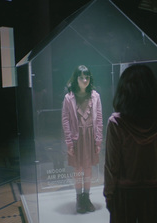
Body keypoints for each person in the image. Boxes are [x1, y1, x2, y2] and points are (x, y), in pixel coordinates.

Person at [104, 64, 157, 223]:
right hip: (153, 191)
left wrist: (109, 193)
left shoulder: (116, 122)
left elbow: (112, 165)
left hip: (124, 193)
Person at [62, 65, 103, 214]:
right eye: (81, 77)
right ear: (76, 78)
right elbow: (65, 120)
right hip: (76, 137)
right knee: (78, 169)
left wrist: (98, 140)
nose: (84, 80)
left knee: (88, 169)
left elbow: (99, 118)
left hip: (90, 137)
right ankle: (79, 198)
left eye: (87, 77)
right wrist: (69, 142)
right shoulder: (68, 97)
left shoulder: (95, 96)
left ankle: (87, 197)